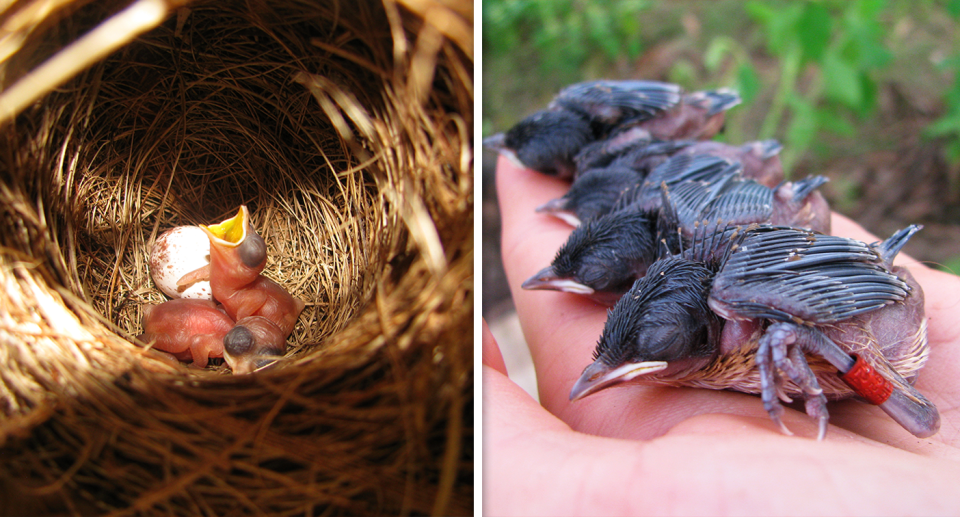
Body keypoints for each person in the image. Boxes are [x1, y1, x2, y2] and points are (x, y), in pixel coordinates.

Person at [484, 155, 960, 515]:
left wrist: (803, 336)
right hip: (829, 291)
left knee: (917, 420)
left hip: (883, 324)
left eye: (661, 345)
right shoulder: (707, 270)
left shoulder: (737, 301)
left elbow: (872, 289)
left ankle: (846, 360)